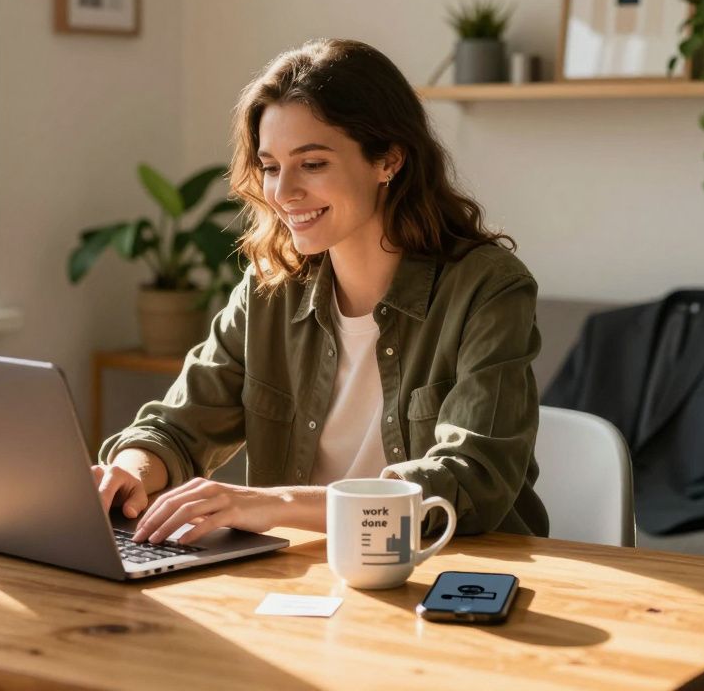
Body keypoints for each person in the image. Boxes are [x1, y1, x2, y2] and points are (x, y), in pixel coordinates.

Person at [93, 38, 548, 546]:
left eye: (312, 164)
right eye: (270, 166)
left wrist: (273, 504)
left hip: (454, 574)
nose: (284, 192)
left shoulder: (488, 288)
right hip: (304, 582)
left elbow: (471, 480)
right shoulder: (270, 288)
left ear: (388, 161)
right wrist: (131, 470)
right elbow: (178, 426)